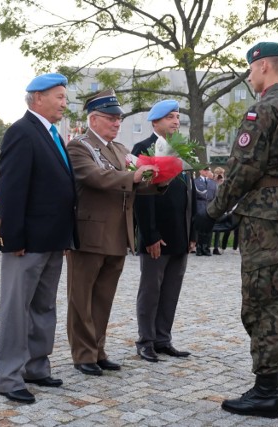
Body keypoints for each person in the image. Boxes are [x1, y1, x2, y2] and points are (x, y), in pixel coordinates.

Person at [198, 42, 278, 418]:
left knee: (263, 300)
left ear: (264, 66)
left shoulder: (263, 109)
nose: (249, 76)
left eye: (251, 69)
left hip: (265, 212)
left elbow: (244, 167)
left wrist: (214, 211)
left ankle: (266, 391)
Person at [65, 88, 161, 377]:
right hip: (90, 233)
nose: (117, 123)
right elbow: (96, 177)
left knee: (104, 297)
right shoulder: (79, 146)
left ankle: (97, 350)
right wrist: (132, 176)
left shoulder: (119, 149)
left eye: (119, 118)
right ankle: (83, 354)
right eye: (111, 118)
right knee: (81, 297)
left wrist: (160, 180)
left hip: (118, 234)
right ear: (93, 119)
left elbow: (136, 182)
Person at [0, 73, 78, 404]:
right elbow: (12, 189)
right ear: (37, 98)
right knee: (17, 310)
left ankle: (36, 366)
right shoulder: (22, 132)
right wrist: (13, 239)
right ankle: (9, 377)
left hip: (53, 238)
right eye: (59, 96)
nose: (64, 102)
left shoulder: (52, 134)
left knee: (43, 308)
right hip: (26, 242)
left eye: (64, 96)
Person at [131, 100, 195, 363]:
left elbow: (190, 196)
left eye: (178, 117)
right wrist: (150, 235)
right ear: (155, 121)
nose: (176, 121)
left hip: (180, 233)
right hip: (157, 235)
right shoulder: (142, 149)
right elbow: (142, 198)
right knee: (151, 289)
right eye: (170, 117)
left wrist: (192, 234)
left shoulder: (181, 150)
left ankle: (163, 338)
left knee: (171, 290)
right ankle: (145, 340)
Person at [194, 167, 217, 256]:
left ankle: (206, 247)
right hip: (200, 207)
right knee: (200, 229)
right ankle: (199, 247)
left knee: (209, 229)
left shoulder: (213, 183)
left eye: (208, 170)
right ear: (200, 171)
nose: (207, 172)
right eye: (205, 170)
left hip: (210, 207)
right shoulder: (196, 182)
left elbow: (215, 196)